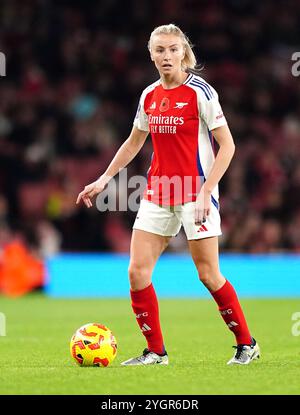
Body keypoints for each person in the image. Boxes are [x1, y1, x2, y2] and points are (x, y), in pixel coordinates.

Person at [76, 23, 260, 366]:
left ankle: (246, 343)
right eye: (159, 50)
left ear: (183, 52)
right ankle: (155, 352)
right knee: (137, 272)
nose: (166, 56)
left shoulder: (200, 93)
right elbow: (134, 142)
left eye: (173, 49)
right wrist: (104, 179)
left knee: (208, 274)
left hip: (195, 193)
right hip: (158, 193)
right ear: (151, 54)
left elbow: (228, 145)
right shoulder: (149, 96)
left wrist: (207, 191)